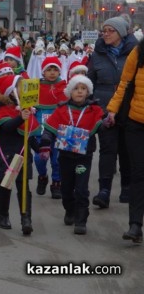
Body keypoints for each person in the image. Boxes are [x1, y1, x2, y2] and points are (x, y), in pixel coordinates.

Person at [39, 75, 104, 235]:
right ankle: (70, 210)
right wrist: (46, 142)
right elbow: (49, 128)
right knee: (66, 189)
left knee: (81, 189)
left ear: (88, 92)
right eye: (76, 88)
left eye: (83, 89)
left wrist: (107, 124)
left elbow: (101, 124)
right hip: (65, 155)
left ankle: (81, 219)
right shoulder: (61, 109)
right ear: (70, 92)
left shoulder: (94, 109)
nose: (80, 92)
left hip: (84, 156)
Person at [87, 17, 138, 209]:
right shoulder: (98, 53)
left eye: (110, 30)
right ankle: (104, 190)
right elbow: (89, 81)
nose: (105, 34)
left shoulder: (135, 52)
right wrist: (92, 104)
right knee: (107, 150)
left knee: (126, 150)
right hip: (104, 108)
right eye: (104, 30)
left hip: (128, 109)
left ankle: (126, 186)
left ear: (121, 33)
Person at [106, 35, 144, 242]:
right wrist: (112, 109)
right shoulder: (137, 53)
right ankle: (135, 225)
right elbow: (124, 84)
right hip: (136, 122)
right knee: (138, 172)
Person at [0, 74, 39, 235]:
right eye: (20, 87)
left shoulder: (28, 109)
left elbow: (31, 132)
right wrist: (19, 118)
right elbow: (6, 128)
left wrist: (42, 147)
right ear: (12, 92)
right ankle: (3, 215)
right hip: (8, 154)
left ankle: (26, 219)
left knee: (24, 186)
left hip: (24, 154)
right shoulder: (3, 109)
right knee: (5, 186)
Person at [33, 56, 67, 199]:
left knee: (57, 160)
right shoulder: (35, 87)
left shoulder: (64, 87)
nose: (52, 72)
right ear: (43, 71)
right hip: (41, 129)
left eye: (55, 70)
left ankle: (57, 183)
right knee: (40, 158)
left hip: (59, 130)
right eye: (49, 69)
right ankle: (42, 177)